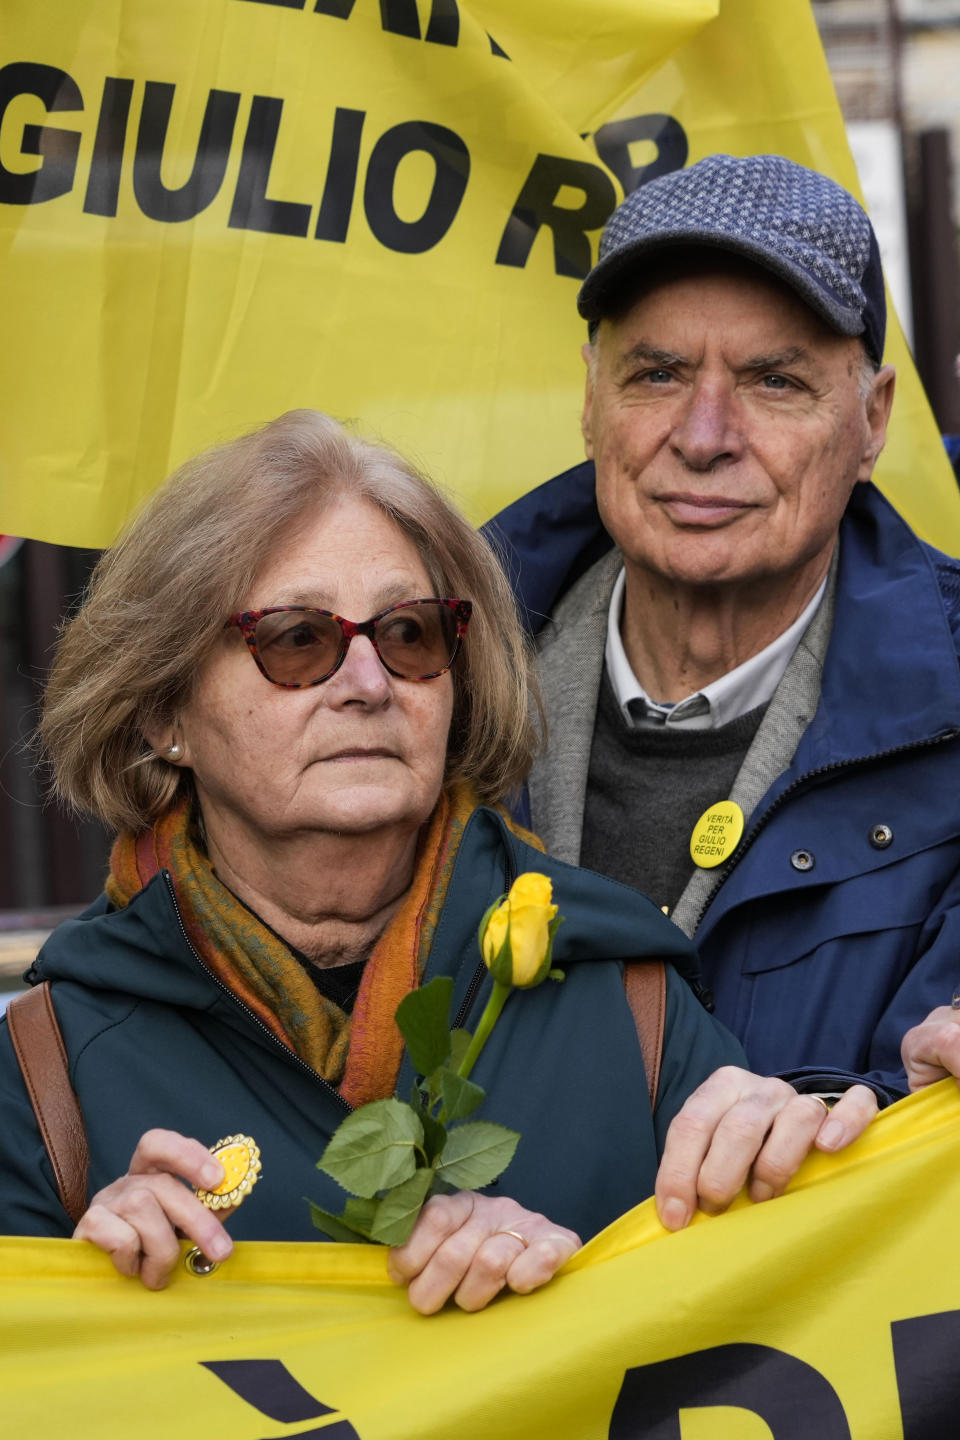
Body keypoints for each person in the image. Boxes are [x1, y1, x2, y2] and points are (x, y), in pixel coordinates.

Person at [0, 411, 866, 1314]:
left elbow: (780, 1326)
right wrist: (83, 1295)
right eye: (298, 639)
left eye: (410, 634)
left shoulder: (631, 999)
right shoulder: (45, 1073)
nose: (369, 683)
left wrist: (565, 1288)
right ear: (162, 714)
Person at [488, 153, 960, 1110]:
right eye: (657, 374)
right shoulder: (420, 677)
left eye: (773, 381)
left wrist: (825, 1112)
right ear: (590, 402)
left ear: (872, 423)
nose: (704, 436)